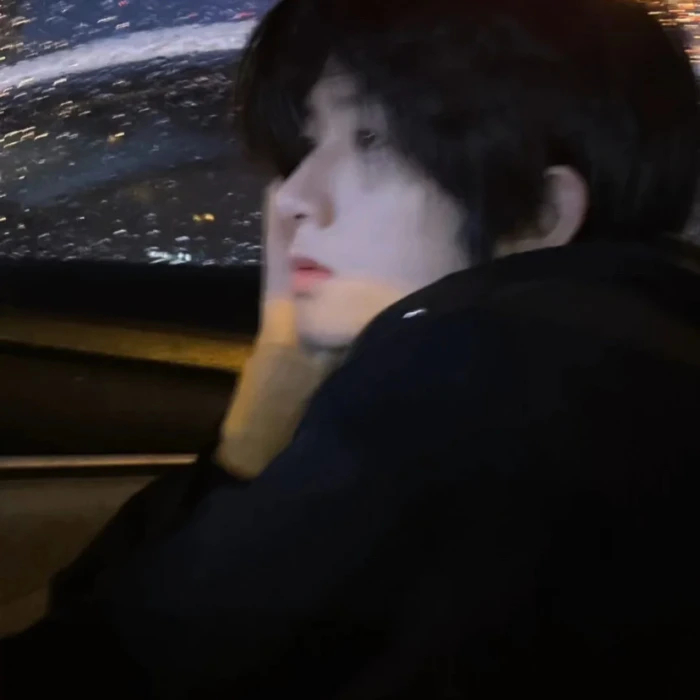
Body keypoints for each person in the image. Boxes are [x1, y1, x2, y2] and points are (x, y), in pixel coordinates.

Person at [3, 0, 700, 697]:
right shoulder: (622, 359)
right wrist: (282, 375)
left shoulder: (471, 381)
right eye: (310, 144)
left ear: (539, 213)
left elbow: (108, 661)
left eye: (372, 139)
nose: (293, 196)